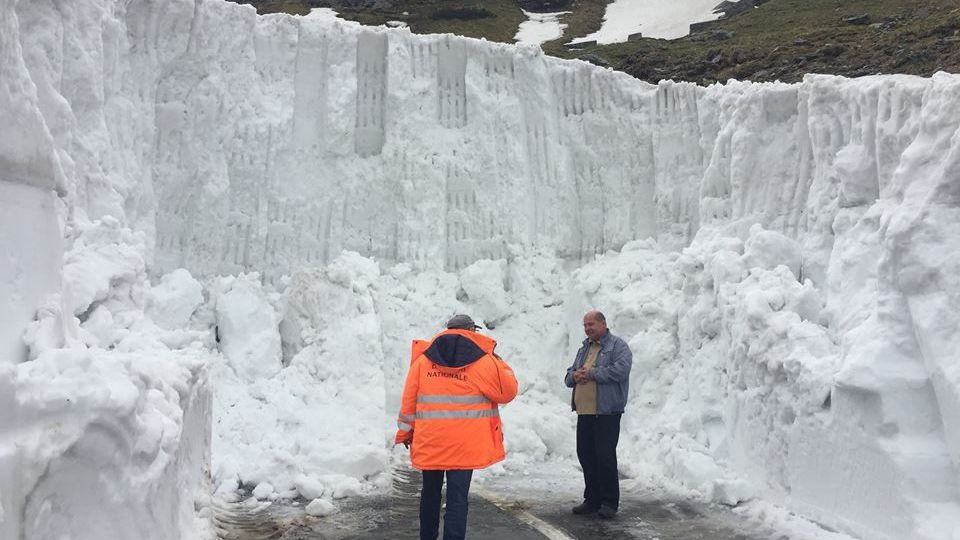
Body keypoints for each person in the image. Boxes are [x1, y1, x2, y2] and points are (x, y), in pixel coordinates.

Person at [395, 314, 518, 540]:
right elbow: (507, 392)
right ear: (471, 331)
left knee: (430, 495)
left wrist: (405, 432)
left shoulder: (424, 360)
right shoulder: (483, 361)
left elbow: (409, 400)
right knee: (457, 500)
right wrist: (495, 359)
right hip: (465, 445)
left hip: (431, 441)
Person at [563, 310, 633, 519]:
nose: (588, 328)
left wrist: (592, 373)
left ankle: (609, 502)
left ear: (603, 324)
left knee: (605, 457)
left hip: (606, 412)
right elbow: (568, 376)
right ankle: (592, 500)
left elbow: (621, 370)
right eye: (585, 325)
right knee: (586, 455)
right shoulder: (584, 348)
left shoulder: (618, 346)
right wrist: (575, 376)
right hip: (585, 412)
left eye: (591, 324)